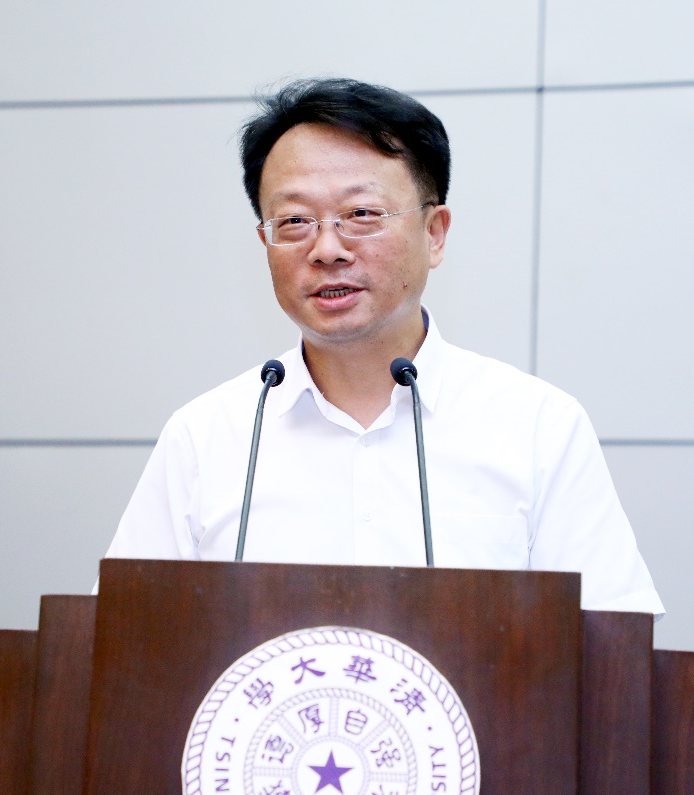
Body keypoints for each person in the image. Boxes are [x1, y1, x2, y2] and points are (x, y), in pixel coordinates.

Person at [102, 78, 663, 616]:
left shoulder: (537, 426)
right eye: (294, 220)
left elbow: (611, 644)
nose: (327, 249)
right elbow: (126, 639)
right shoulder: (207, 437)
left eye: (361, 215)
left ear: (434, 233)